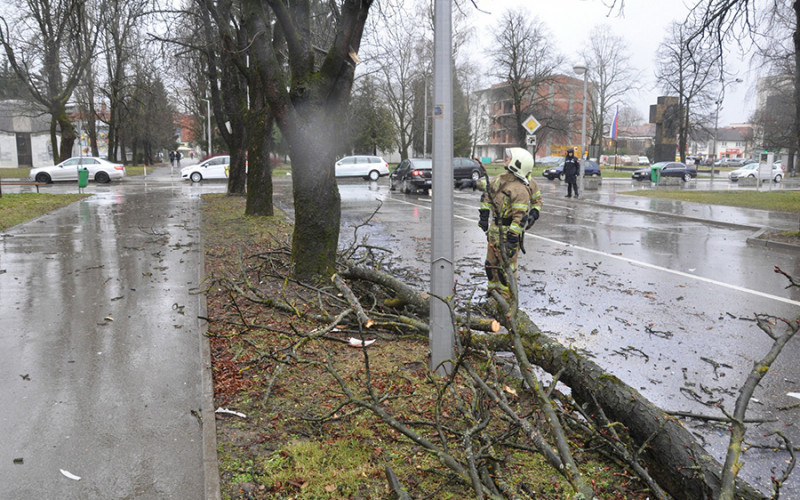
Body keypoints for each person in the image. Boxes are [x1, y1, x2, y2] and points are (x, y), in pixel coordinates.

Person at [476, 147, 542, 303]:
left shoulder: (523, 187)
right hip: (494, 229)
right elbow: (488, 195)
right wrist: (484, 216)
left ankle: (506, 299)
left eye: (509, 158)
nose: (506, 159)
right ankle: (492, 294)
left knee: (507, 268)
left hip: (508, 231)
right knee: (490, 265)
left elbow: (521, 215)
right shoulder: (500, 179)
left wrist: (513, 238)